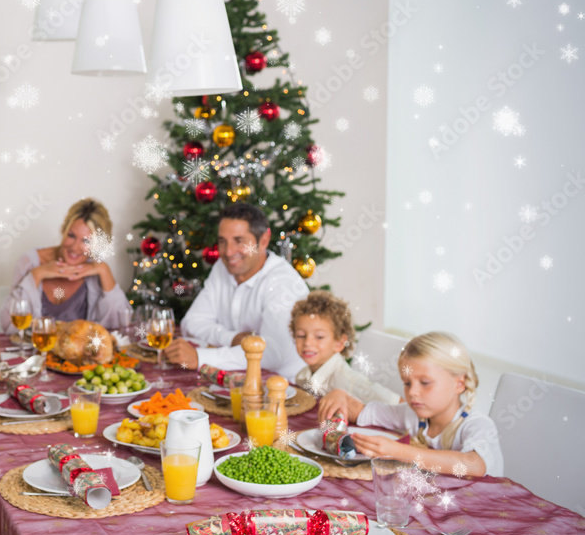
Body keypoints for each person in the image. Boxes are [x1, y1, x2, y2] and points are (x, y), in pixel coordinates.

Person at [318, 332, 503, 477]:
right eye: (407, 383)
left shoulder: (478, 425)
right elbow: (361, 412)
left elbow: (473, 465)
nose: (412, 392)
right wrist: (339, 395)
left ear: (459, 384)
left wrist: (398, 451)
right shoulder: (413, 415)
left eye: (425, 383)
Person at [164, 203, 307, 378]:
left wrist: (200, 357)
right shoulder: (222, 268)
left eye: (239, 241)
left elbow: (272, 355)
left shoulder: (283, 284)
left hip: (283, 390)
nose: (228, 252)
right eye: (222, 242)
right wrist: (232, 339)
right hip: (233, 382)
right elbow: (191, 323)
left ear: (263, 241)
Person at [0, 198, 129, 333]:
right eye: (71, 235)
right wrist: (37, 275)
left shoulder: (96, 270)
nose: (74, 247)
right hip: (36, 351)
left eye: (86, 241)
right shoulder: (30, 261)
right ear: (63, 230)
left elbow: (119, 327)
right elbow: (9, 325)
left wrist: (104, 270)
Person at [291, 291, 401, 405]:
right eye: (301, 335)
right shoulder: (302, 376)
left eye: (319, 337)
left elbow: (398, 405)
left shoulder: (349, 381)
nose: (307, 342)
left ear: (339, 343)